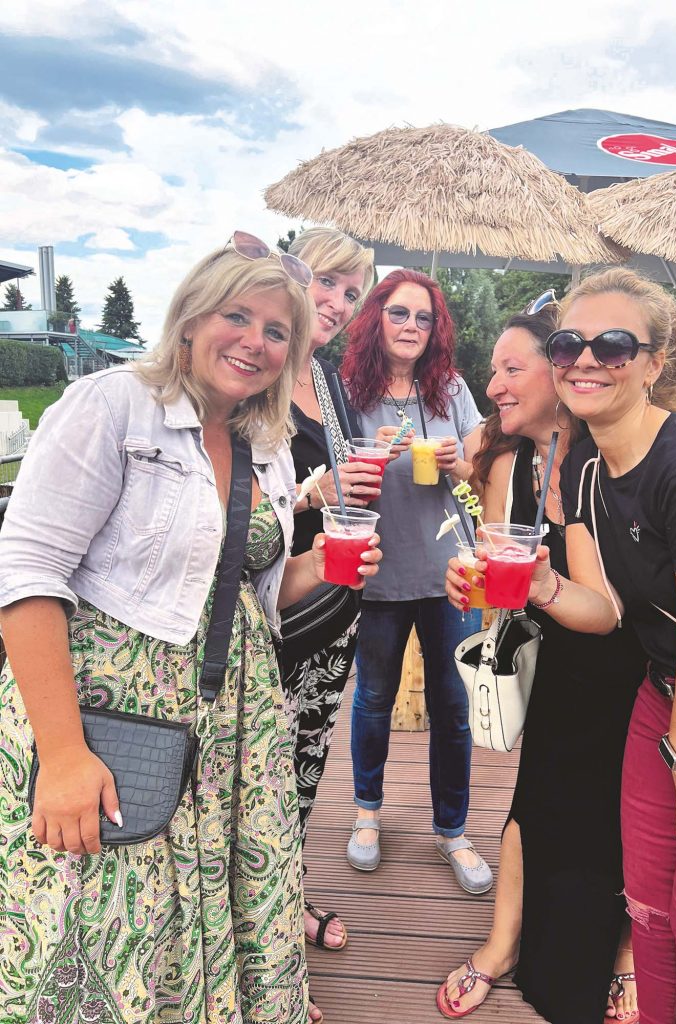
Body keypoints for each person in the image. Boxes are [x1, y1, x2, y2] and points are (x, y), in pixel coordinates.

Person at [0, 235, 381, 1024]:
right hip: (112, 711)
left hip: (235, 720)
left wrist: (327, 569)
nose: (256, 341)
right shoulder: (114, 406)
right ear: (189, 319)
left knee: (225, 893)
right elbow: (26, 572)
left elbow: (245, 590)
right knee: (108, 910)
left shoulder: (263, 442)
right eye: (237, 315)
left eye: (278, 331)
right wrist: (64, 755)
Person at [516, 267, 676, 1024]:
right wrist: (547, 589)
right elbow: (611, 609)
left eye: (613, 344)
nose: (585, 360)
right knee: (650, 912)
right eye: (567, 343)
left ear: (657, 363)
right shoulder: (587, 462)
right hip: (667, 698)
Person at [439, 300, 646, 1023]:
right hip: (554, 659)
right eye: (492, 369)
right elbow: (497, 560)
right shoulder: (512, 455)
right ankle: (501, 942)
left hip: (627, 664)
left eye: (510, 368)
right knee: (531, 799)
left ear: (558, 376)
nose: (494, 382)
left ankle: (625, 952)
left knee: (627, 811)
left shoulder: (607, 456)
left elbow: (618, 590)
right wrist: (469, 579)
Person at [340, 268, 493, 894]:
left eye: (424, 318)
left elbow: (482, 471)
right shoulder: (347, 389)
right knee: (372, 698)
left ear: (437, 331)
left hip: (449, 571)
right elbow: (326, 470)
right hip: (377, 569)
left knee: (454, 707)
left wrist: (464, 459)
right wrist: (361, 453)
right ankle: (367, 813)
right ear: (377, 317)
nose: (411, 327)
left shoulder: (450, 388)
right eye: (400, 314)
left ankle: (452, 829)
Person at [280, 229, 375, 1006]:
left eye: (354, 292)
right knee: (256, 767)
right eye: (329, 283)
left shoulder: (327, 376)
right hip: (269, 612)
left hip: (333, 602)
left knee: (308, 761)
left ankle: (289, 893)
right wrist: (319, 492)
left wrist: (354, 486)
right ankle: (263, 917)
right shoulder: (258, 368)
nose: (339, 304)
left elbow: (338, 482)